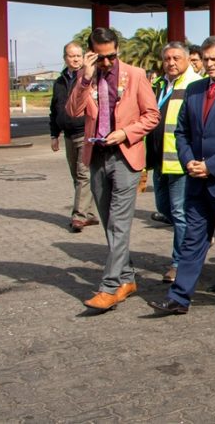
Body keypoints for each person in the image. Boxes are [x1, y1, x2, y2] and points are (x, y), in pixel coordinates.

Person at [148, 37, 215, 316]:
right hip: (196, 179)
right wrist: (189, 162)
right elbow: (181, 131)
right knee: (192, 241)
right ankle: (179, 297)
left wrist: (212, 165)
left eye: (214, 59)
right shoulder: (195, 90)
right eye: (206, 59)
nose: (209, 64)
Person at [66, 27, 160, 311]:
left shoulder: (135, 75)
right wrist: (84, 77)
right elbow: (72, 111)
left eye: (112, 56)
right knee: (109, 223)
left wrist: (127, 133)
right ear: (91, 53)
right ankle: (128, 278)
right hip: (96, 156)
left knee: (119, 224)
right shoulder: (86, 77)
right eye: (101, 57)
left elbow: (152, 115)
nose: (107, 63)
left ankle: (109, 287)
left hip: (125, 156)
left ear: (117, 50)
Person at [145, 42, 202, 284]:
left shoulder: (194, 85)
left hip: (180, 162)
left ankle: (179, 263)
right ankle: (197, 240)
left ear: (188, 59)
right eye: (167, 58)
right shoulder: (158, 85)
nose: (171, 62)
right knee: (165, 209)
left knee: (179, 213)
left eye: (176, 58)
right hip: (159, 161)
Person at [49, 42, 99, 232]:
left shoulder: (90, 77)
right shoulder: (59, 82)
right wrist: (54, 134)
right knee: (77, 176)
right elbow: (54, 110)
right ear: (65, 58)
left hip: (86, 132)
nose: (76, 59)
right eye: (72, 56)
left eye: (79, 55)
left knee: (82, 174)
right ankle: (90, 213)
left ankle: (78, 216)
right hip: (68, 135)